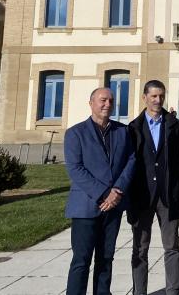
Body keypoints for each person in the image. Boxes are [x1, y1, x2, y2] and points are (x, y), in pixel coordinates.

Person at [64, 87, 135, 295]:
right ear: (91, 103)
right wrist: (105, 193)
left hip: (113, 207)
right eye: (103, 100)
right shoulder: (75, 133)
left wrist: (118, 191)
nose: (107, 104)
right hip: (86, 207)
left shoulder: (122, 131)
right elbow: (75, 169)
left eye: (111, 101)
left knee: (106, 258)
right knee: (81, 260)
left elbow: (131, 161)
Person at [126, 80, 179, 295]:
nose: (158, 100)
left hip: (168, 195)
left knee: (171, 247)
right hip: (142, 197)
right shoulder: (133, 128)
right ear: (144, 97)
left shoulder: (176, 126)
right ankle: (139, 291)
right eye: (153, 96)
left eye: (161, 96)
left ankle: (173, 290)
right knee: (140, 249)